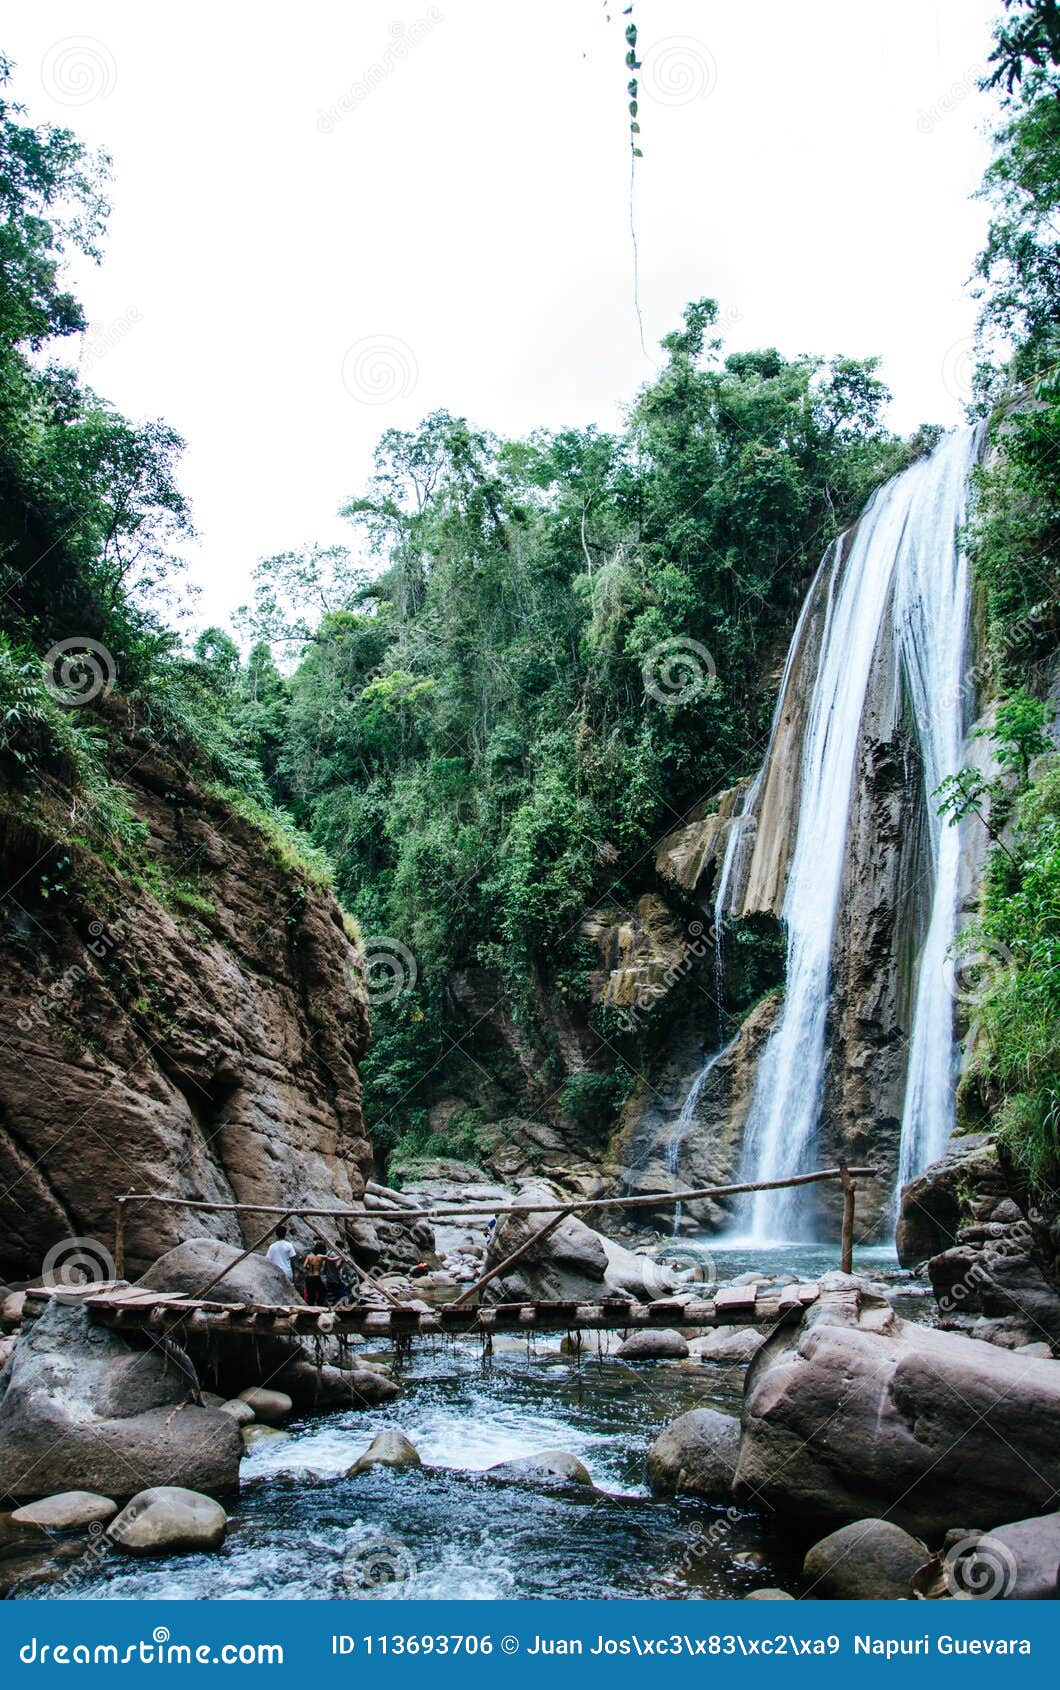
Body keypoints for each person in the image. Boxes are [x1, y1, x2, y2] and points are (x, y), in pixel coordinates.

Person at [302, 1237, 333, 1306]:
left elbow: (304, 1266)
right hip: (316, 1277)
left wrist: (310, 1268)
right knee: (322, 1291)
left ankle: (311, 1306)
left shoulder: (309, 1256)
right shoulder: (320, 1256)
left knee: (310, 1294)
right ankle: (320, 1303)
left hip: (309, 1277)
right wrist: (341, 1256)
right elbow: (332, 1259)